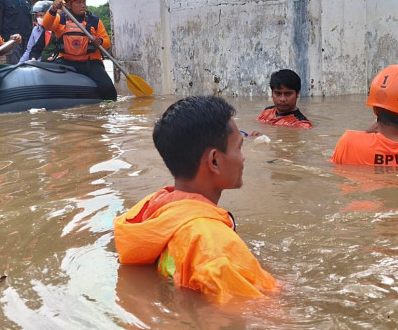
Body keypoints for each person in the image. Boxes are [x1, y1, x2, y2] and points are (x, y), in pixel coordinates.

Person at [114, 96, 277, 304]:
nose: (243, 157)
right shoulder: (216, 249)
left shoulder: (154, 209)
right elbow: (260, 315)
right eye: (239, 147)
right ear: (215, 161)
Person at [43, 0, 117, 101]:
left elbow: (107, 42)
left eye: (83, 1)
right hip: (66, 60)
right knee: (49, 79)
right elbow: (46, 25)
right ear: (67, 4)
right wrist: (52, 9)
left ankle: (109, 108)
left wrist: (100, 41)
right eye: (78, 2)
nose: (83, 5)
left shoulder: (94, 21)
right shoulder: (60, 19)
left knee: (108, 87)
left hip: (91, 62)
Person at [0, 0, 34, 64]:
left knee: (27, 67)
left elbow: (30, 22)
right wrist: (1, 40)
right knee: (14, 68)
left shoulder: (27, 1)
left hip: (26, 40)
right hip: (13, 41)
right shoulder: (2, 0)